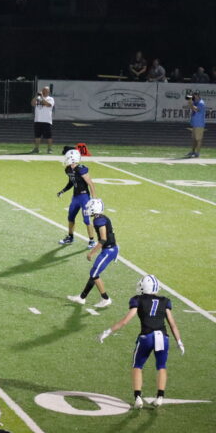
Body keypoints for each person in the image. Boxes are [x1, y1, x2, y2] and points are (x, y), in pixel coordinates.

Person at [99, 275, 185, 409]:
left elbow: (125, 321)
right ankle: (160, 397)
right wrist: (179, 341)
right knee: (161, 366)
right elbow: (172, 324)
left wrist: (107, 331)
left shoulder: (137, 299)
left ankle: (138, 397)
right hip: (163, 337)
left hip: (147, 336)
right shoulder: (165, 301)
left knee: (137, 365)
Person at [67, 198, 117, 308]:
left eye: (89, 207)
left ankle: (105, 299)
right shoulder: (101, 218)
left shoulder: (98, 220)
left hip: (109, 250)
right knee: (94, 273)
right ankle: (82, 298)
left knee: (94, 274)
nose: (88, 209)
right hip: (109, 249)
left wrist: (92, 253)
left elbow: (103, 239)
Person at [56, 149, 96, 247]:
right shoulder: (68, 169)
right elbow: (71, 182)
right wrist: (63, 191)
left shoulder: (81, 169)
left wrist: (94, 198)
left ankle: (92, 241)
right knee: (70, 217)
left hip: (84, 197)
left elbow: (90, 183)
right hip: (75, 197)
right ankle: (70, 237)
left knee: (86, 220)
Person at [30, 87, 54, 154]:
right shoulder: (38, 98)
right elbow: (32, 103)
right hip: (38, 120)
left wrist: (42, 97)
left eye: (45, 90)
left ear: (48, 91)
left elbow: (48, 105)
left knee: (48, 136)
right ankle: (36, 148)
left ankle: (49, 149)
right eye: (43, 90)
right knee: (37, 136)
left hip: (46, 120)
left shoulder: (50, 99)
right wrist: (36, 96)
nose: (43, 91)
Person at [187, 91, 206, 158]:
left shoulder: (201, 103)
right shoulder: (196, 102)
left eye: (194, 96)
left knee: (198, 139)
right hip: (195, 123)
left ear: (197, 96)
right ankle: (193, 152)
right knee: (194, 139)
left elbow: (196, 110)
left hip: (199, 124)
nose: (193, 97)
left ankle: (197, 153)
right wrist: (189, 101)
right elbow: (192, 107)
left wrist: (191, 103)